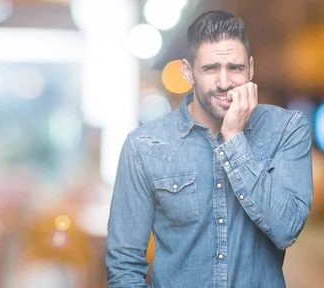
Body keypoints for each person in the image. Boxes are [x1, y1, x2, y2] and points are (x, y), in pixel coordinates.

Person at [106, 10, 313, 288]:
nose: (224, 82)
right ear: (188, 71)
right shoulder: (144, 147)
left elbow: (287, 229)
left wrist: (234, 138)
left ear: (250, 68)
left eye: (235, 68)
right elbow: (124, 266)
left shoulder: (287, 129)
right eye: (210, 68)